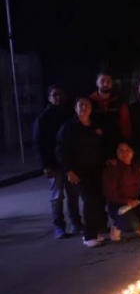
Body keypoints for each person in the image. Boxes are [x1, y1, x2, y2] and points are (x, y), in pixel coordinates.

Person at [56, 97, 106, 247]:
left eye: (87, 105)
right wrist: (69, 170)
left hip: (96, 168)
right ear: (75, 108)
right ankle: (88, 235)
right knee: (89, 200)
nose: (84, 108)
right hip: (79, 171)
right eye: (81, 105)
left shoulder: (95, 125)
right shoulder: (69, 127)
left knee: (97, 200)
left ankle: (95, 231)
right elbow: (61, 150)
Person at [34, 85, 82, 238]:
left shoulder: (70, 114)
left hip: (71, 162)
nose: (58, 97)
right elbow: (39, 144)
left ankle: (76, 223)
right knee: (57, 196)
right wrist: (46, 166)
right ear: (49, 98)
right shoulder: (43, 118)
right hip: (54, 164)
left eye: (60, 94)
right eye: (55, 95)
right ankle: (59, 226)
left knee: (73, 195)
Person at [102, 142, 140, 240]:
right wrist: (127, 201)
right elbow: (110, 193)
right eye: (121, 151)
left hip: (137, 201)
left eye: (127, 150)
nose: (124, 153)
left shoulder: (138, 165)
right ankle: (117, 225)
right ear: (116, 153)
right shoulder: (112, 168)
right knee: (131, 225)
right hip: (119, 204)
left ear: (133, 152)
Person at [89, 69, 131, 160]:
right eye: (102, 81)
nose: (105, 84)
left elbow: (125, 123)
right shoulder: (89, 102)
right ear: (97, 83)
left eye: (109, 81)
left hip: (115, 144)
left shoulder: (119, 101)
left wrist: (126, 142)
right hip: (94, 145)